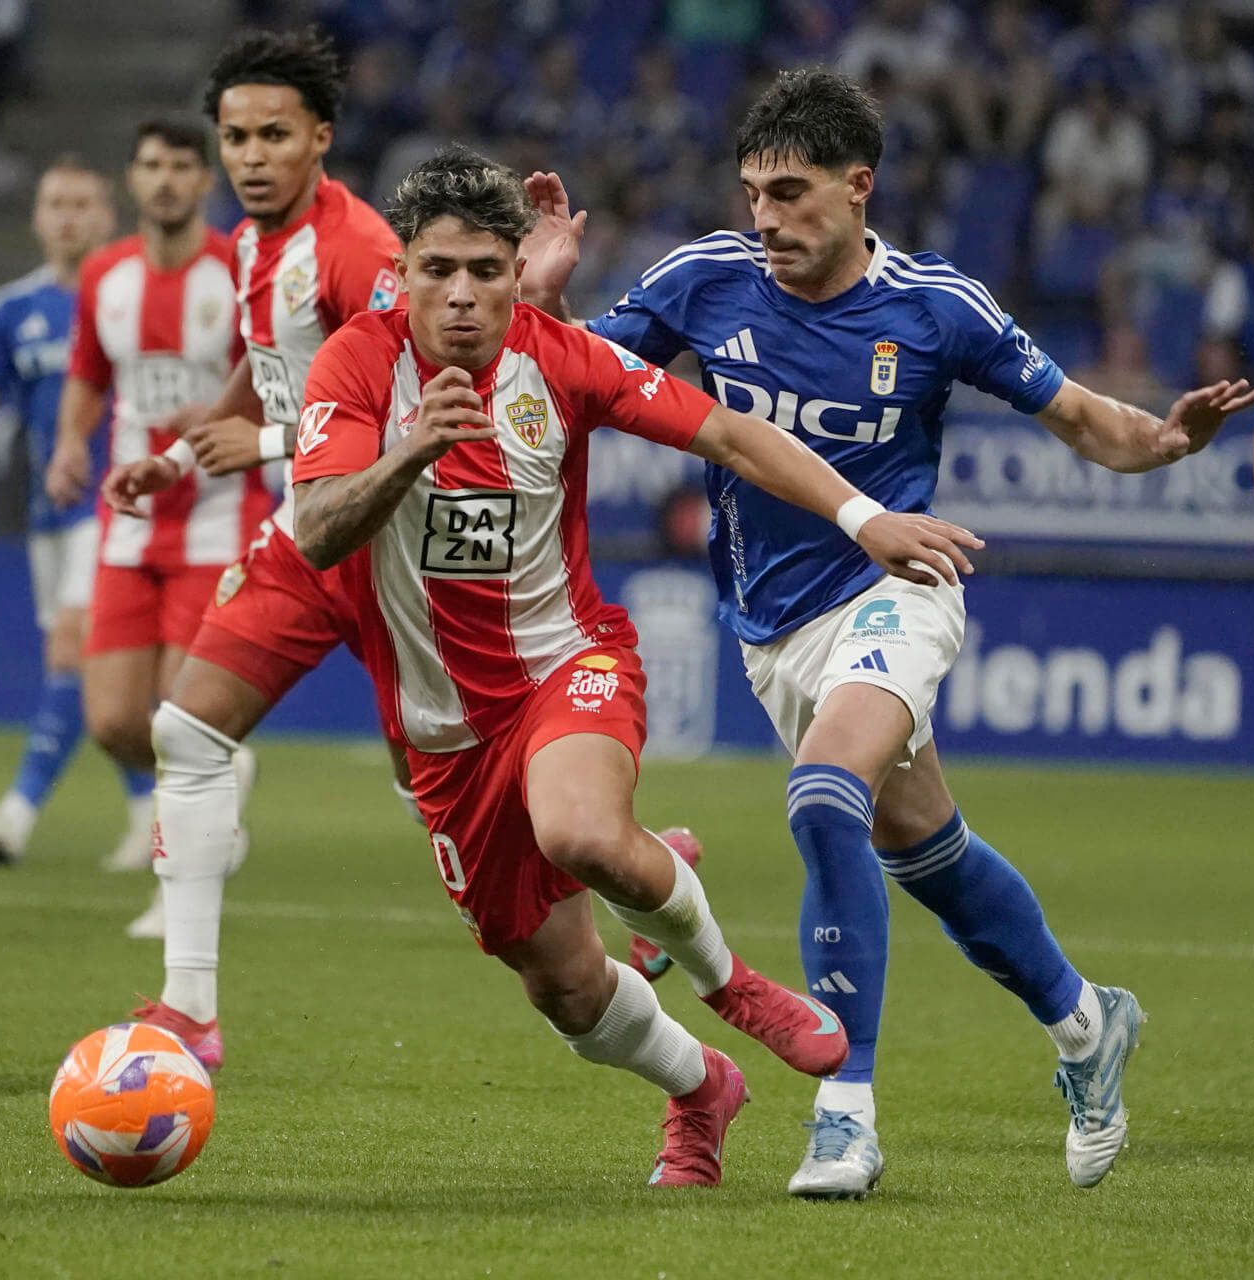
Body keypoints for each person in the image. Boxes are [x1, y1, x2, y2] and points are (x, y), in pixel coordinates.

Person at [519, 68, 1254, 1196]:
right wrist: (545, 302)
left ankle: (845, 1114)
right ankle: (1085, 1020)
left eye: (791, 193)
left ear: (858, 186)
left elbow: (1078, 418)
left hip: (898, 578)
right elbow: (572, 382)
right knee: (925, 848)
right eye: (754, 193)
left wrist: (1164, 438)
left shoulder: (935, 305)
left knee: (827, 796)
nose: (767, 219)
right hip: (771, 625)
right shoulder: (703, 280)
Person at [292, 144, 986, 1188]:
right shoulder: (356, 365)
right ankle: (702, 1086)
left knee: (577, 831)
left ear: (515, 270)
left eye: (485, 268)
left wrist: (863, 516)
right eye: (439, 270)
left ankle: (729, 981)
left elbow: (732, 436)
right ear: (402, 272)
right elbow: (315, 531)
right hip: (441, 731)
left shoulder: (562, 358)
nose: (464, 293)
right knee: (564, 988)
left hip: (566, 665)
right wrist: (409, 452)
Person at [95, 29, 408, 1064]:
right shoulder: (248, 245)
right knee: (186, 731)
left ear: (321, 138)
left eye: (275, 134)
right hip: (306, 536)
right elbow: (269, 367)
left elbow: (421, 409)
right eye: (236, 137)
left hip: (395, 548)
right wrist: (180, 459)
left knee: (452, 794)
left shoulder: (359, 251)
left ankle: (632, 868)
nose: (252, 155)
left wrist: (268, 445)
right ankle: (190, 1005)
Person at [0, 158, 156, 869]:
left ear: (108, 215)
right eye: (56, 203)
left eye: (83, 203)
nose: (69, 216)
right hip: (50, 512)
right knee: (89, 674)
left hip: (120, 504)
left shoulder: (136, 294)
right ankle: (156, 812)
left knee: (72, 652)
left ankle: (17, 814)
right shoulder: (13, 310)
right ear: (37, 218)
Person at [43, 118, 257, 905]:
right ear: (132, 180)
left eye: (179, 166)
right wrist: (70, 443)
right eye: (151, 165)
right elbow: (88, 374)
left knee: (180, 717)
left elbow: (279, 376)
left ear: (204, 180)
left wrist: (229, 413)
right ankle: (222, 776)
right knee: (112, 723)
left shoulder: (238, 268)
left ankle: (181, 898)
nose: (164, 179)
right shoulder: (106, 275)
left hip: (216, 518)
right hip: (129, 525)